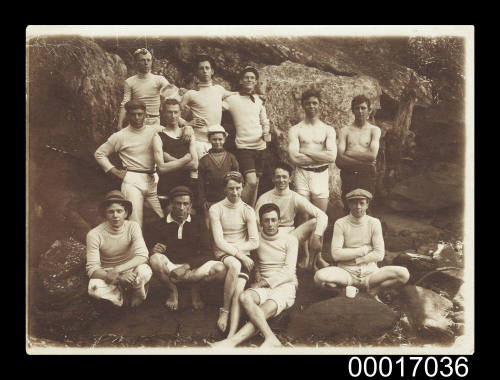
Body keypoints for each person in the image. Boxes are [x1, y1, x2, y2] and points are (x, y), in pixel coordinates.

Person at [210, 203, 298, 348]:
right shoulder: (255, 241)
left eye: (273, 220)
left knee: (263, 310)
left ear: (279, 221)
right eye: (266, 220)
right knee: (244, 296)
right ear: (261, 222)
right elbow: (250, 258)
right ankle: (271, 338)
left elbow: (289, 272)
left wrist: (262, 283)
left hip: (285, 286)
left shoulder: (290, 240)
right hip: (263, 286)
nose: (270, 224)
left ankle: (231, 342)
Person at [95, 100, 192, 227]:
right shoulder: (120, 136)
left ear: (145, 114)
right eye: (133, 114)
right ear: (128, 116)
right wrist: (114, 171)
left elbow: (174, 128)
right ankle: (135, 247)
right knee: (135, 222)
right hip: (132, 180)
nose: (137, 118)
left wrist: (188, 128)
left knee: (163, 217)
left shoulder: (156, 130)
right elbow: (99, 153)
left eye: (140, 114)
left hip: (153, 179)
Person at [313, 189, 410, 299]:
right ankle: (342, 291)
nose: (358, 207)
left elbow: (379, 254)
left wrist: (356, 259)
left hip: (371, 274)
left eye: (361, 203)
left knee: (404, 274)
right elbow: (336, 254)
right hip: (346, 273)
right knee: (319, 277)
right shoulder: (340, 223)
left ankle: (373, 292)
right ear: (349, 204)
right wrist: (363, 250)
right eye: (354, 203)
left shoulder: (374, 223)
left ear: (367, 204)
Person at [145, 186, 226, 311]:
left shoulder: (198, 223)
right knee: (155, 259)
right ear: (171, 204)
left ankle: (195, 289)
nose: (181, 208)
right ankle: (172, 290)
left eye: (185, 204)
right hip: (171, 269)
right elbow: (147, 249)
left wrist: (186, 266)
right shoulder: (160, 224)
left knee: (221, 269)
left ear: (190, 205)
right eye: (178, 203)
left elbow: (208, 253)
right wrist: (153, 250)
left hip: (192, 269)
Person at [288, 89, 337, 268]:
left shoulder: (327, 129)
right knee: (303, 216)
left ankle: (318, 257)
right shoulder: (296, 129)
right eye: (308, 103)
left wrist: (306, 150)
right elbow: (294, 158)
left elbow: (331, 156)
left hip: (321, 174)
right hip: (302, 174)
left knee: (321, 217)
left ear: (320, 105)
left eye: (315, 103)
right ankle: (305, 256)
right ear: (303, 105)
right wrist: (320, 154)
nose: (311, 106)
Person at [209, 171, 259, 337]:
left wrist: (238, 252)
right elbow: (219, 241)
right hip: (224, 253)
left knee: (239, 290)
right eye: (231, 188)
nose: (235, 192)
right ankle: (224, 310)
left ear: (243, 187)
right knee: (235, 264)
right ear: (225, 189)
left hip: (241, 252)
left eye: (238, 188)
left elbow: (254, 242)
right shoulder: (216, 209)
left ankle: (232, 333)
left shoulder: (248, 210)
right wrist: (241, 255)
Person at [255, 162, 328, 270]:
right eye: (278, 177)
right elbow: (256, 222)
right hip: (270, 237)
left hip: (290, 236)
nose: (281, 180)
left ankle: (311, 263)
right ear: (273, 179)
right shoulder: (265, 197)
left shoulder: (294, 197)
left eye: (284, 177)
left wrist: (317, 235)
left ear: (290, 179)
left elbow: (322, 215)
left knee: (316, 223)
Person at [86, 190, 152, 308]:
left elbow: (143, 255)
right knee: (93, 289)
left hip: (130, 269)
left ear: (126, 213)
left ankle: (137, 291)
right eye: (111, 212)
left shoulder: (133, 226)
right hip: (109, 272)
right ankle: (121, 299)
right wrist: (117, 276)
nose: (115, 216)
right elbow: (92, 269)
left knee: (145, 270)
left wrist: (118, 269)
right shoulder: (94, 234)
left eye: (119, 211)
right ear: (105, 214)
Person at [222, 66, 270, 207]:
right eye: (247, 77)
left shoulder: (259, 100)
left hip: (261, 146)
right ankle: (237, 208)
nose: (250, 80)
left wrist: (266, 131)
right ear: (241, 81)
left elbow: (264, 121)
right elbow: (215, 106)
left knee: (257, 182)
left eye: (252, 78)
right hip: (244, 147)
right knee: (251, 181)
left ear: (256, 82)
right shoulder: (232, 99)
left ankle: (251, 211)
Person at [180, 54, 237, 159]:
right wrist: (187, 124)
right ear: (197, 72)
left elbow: (237, 95)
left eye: (207, 68)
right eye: (201, 68)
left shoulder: (219, 89)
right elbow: (173, 111)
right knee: (199, 171)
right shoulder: (191, 94)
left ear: (212, 71)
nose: (205, 71)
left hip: (216, 141)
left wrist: (257, 96)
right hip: (198, 141)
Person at [336, 95, 381, 211]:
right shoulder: (345, 131)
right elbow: (339, 159)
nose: (360, 111)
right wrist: (364, 161)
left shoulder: (374, 130)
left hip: (367, 173)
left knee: (365, 205)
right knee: (348, 204)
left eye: (363, 108)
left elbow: (372, 156)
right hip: (348, 173)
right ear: (352, 110)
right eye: (357, 108)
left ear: (369, 110)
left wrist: (349, 152)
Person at [117, 48, 174, 129]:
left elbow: (172, 97)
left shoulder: (159, 79)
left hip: (154, 121)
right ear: (136, 63)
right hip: (137, 121)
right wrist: (119, 125)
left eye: (148, 60)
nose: (146, 63)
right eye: (142, 60)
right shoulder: (129, 81)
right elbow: (125, 103)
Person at [154, 98, 198, 198]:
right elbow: (161, 168)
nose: (173, 116)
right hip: (166, 188)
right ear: (164, 113)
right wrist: (185, 159)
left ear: (180, 113)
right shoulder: (158, 136)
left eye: (175, 112)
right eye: (169, 112)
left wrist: (169, 159)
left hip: (185, 187)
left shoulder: (188, 133)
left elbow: (195, 164)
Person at [198, 124, 239, 230]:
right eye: (214, 139)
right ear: (209, 140)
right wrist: (203, 201)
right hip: (211, 201)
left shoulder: (231, 158)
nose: (217, 142)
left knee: (228, 226)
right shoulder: (204, 160)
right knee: (212, 228)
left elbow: (237, 180)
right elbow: (200, 183)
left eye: (220, 139)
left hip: (228, 200)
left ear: (224, 139)